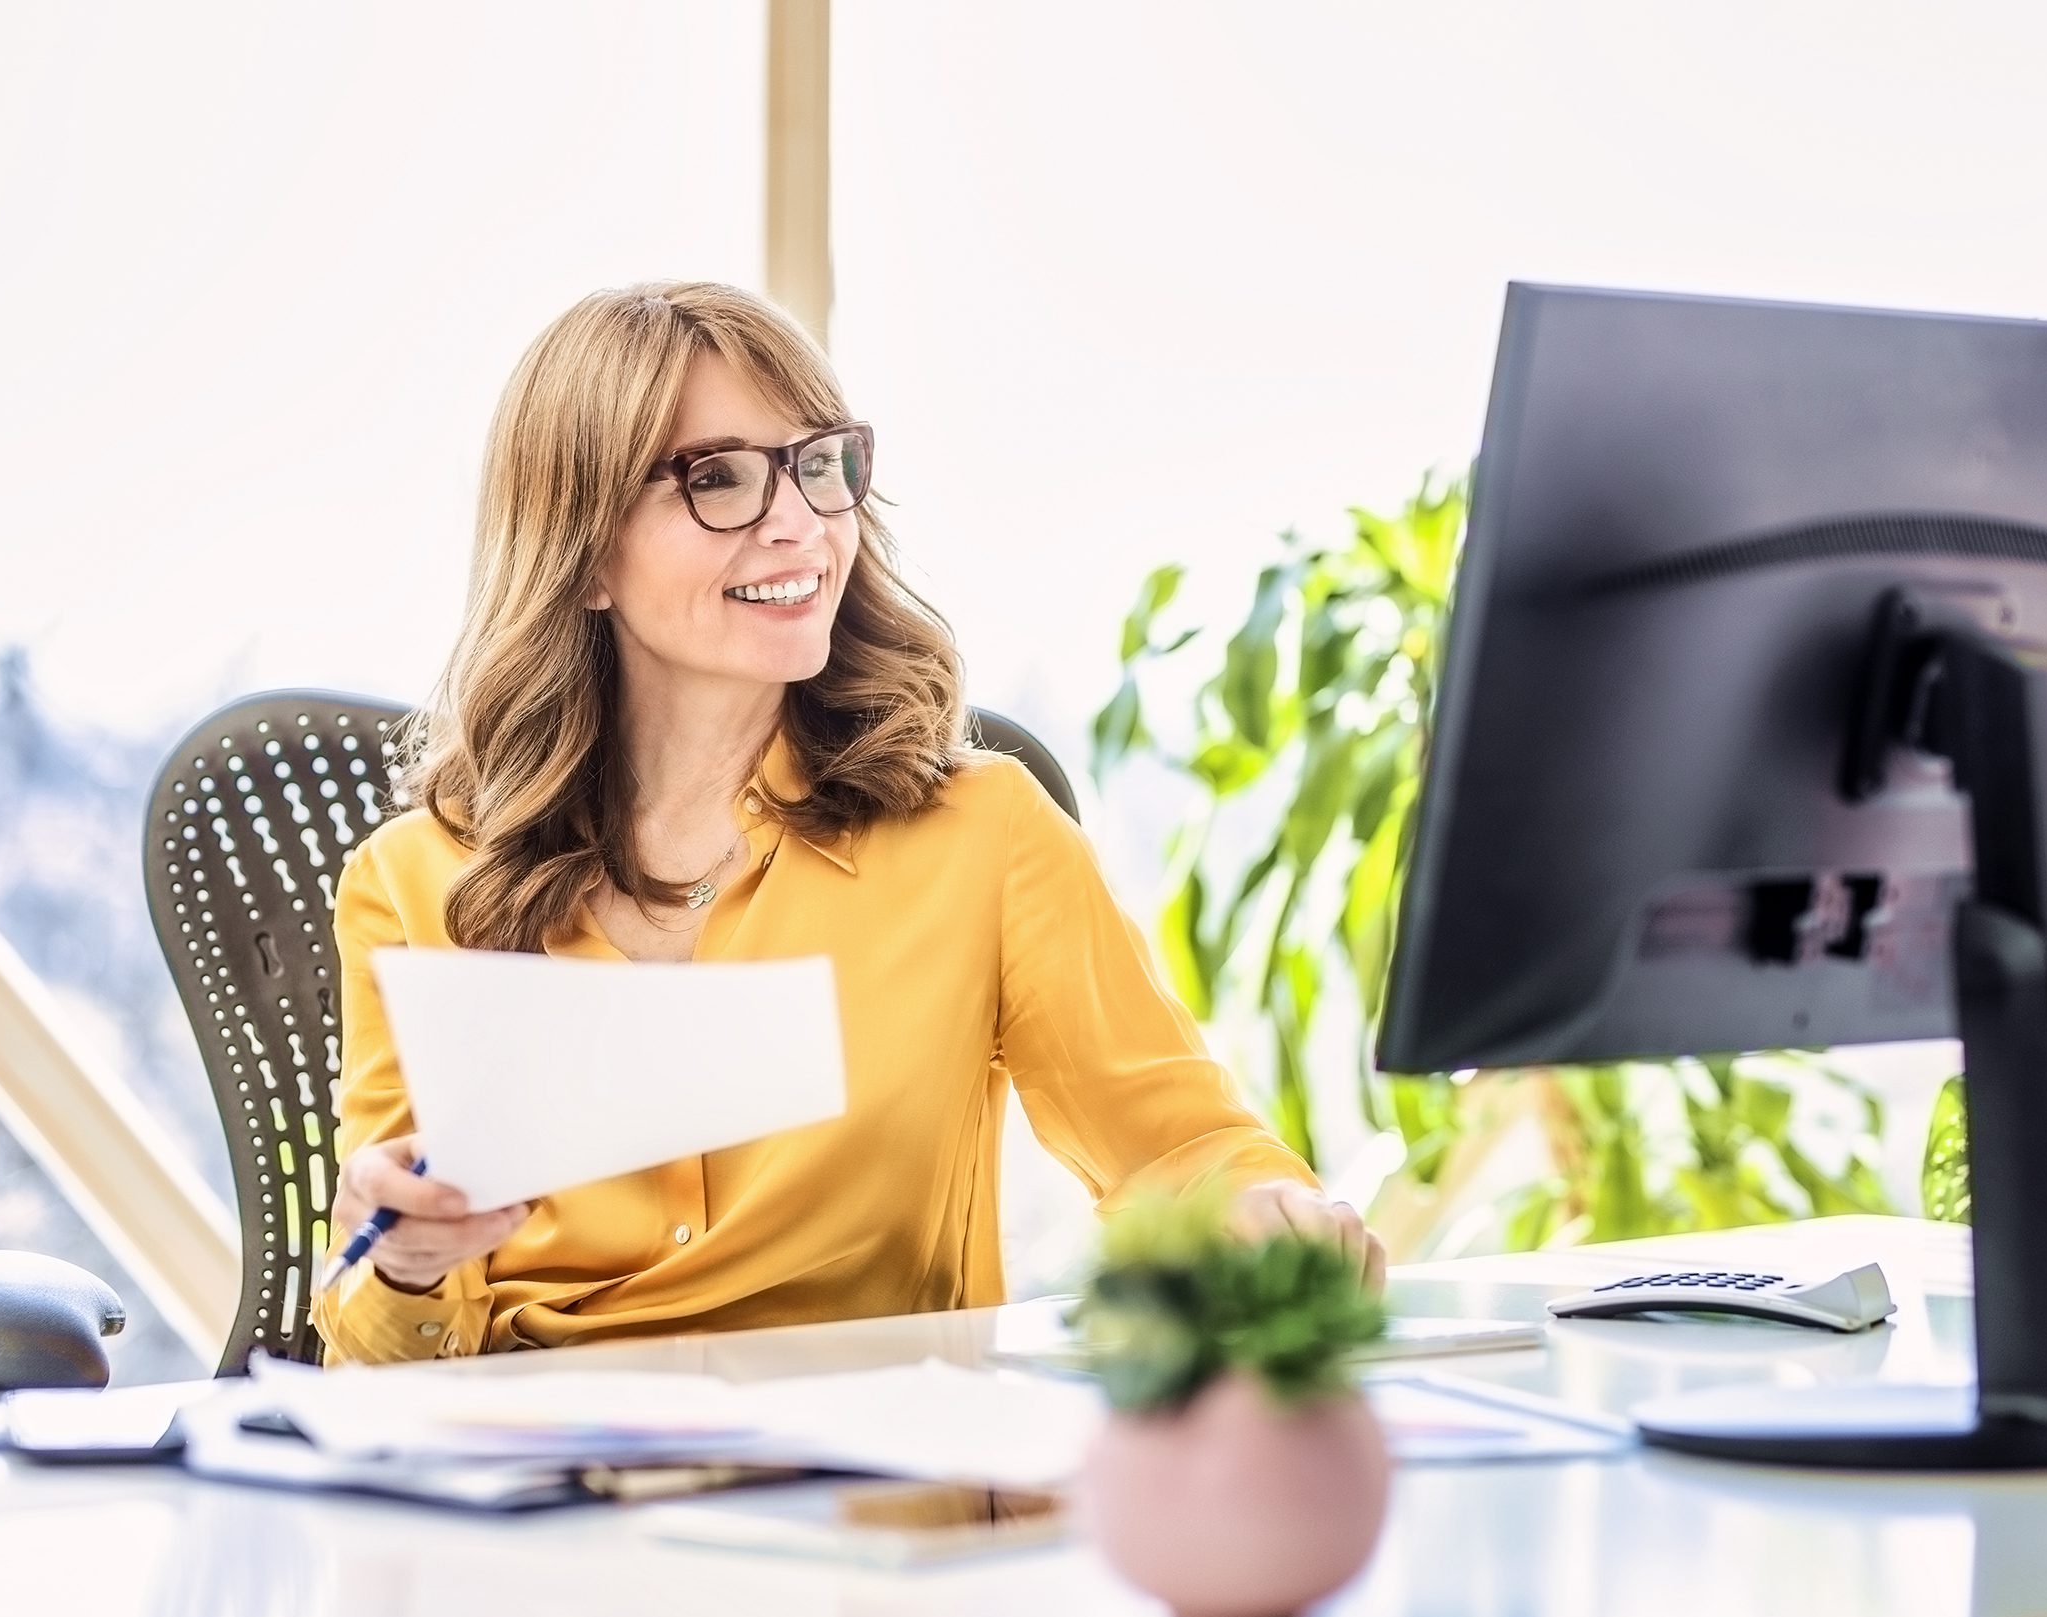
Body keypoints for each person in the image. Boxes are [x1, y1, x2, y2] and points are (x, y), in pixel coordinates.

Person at [313, 281, 1382, 1364]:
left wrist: (1261, 1220)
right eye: (717, 479)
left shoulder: (983, 835)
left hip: (866, 1485)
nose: (800, 524)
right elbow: (378, 1341)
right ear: (584, 554)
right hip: (530, 1492)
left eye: (818, 465)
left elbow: (1177, 1151)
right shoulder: (411, 883)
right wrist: (400, 1256)